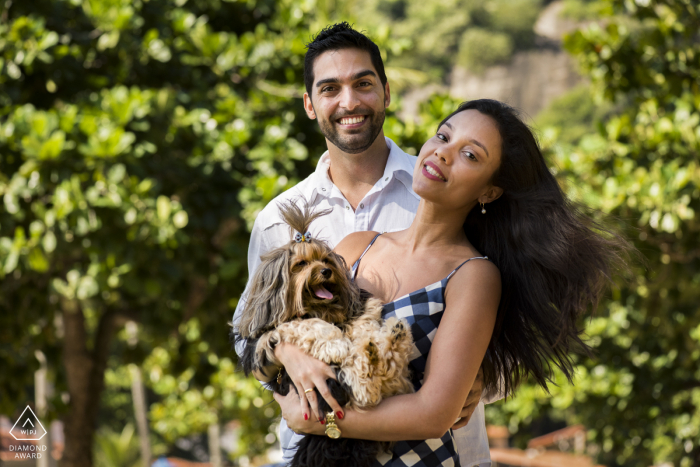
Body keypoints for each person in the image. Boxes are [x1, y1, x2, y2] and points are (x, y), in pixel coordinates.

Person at [272, 98, 625, 465]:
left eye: (470, 155)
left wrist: (323, 421)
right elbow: (285, 328)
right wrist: (287, 353)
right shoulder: (358, 246)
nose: (443, 153)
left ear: (489, 191)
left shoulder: (472, 275)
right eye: (443, 136)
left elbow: (434, 413)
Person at [232, 23, 495, 466]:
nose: (349, 102)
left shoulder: (445, 191)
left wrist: (482, 377)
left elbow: (505, 330)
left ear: (387, 93)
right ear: (310, 105)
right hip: (317, 454)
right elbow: (247, 335)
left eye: (363, 84)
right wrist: (287, 359)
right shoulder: (280, 217)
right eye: (330, 88)